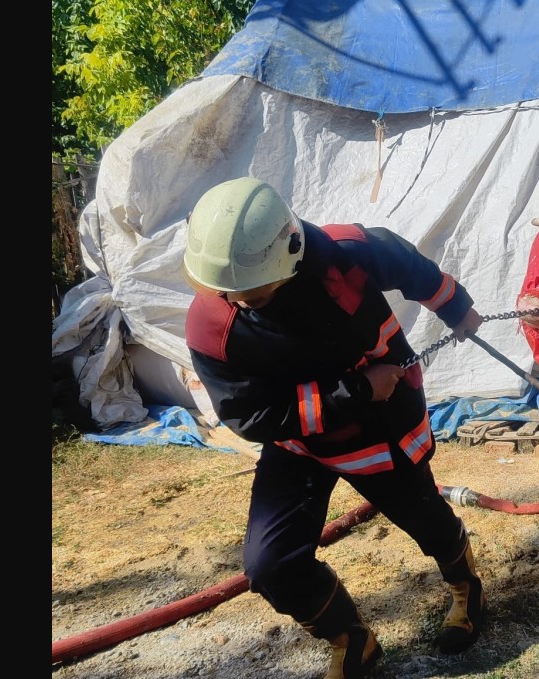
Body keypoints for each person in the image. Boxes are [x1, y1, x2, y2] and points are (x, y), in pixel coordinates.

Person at [182, 177, 487, 678]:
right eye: (226, 291)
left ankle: (465, 586)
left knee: (427, 519)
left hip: (383, 429)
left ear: (289, 253)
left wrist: (455, 306)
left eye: (250, 294)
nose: (235, 301)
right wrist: (358, 390)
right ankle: (352, 639)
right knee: (270, 565)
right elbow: (251, 415)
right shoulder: (214, 326)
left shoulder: (345, 253)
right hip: (301, 444)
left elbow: (404, 260)